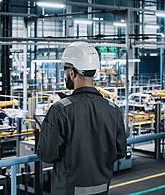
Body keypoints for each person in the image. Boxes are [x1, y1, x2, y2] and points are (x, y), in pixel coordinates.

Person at [37, 41, 127, 195]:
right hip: (101, 189)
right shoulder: (113, 110)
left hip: (67, 190)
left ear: (72, 73)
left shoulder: (60, 110)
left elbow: (47, 154)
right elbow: (120, 151)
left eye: (66, 72)